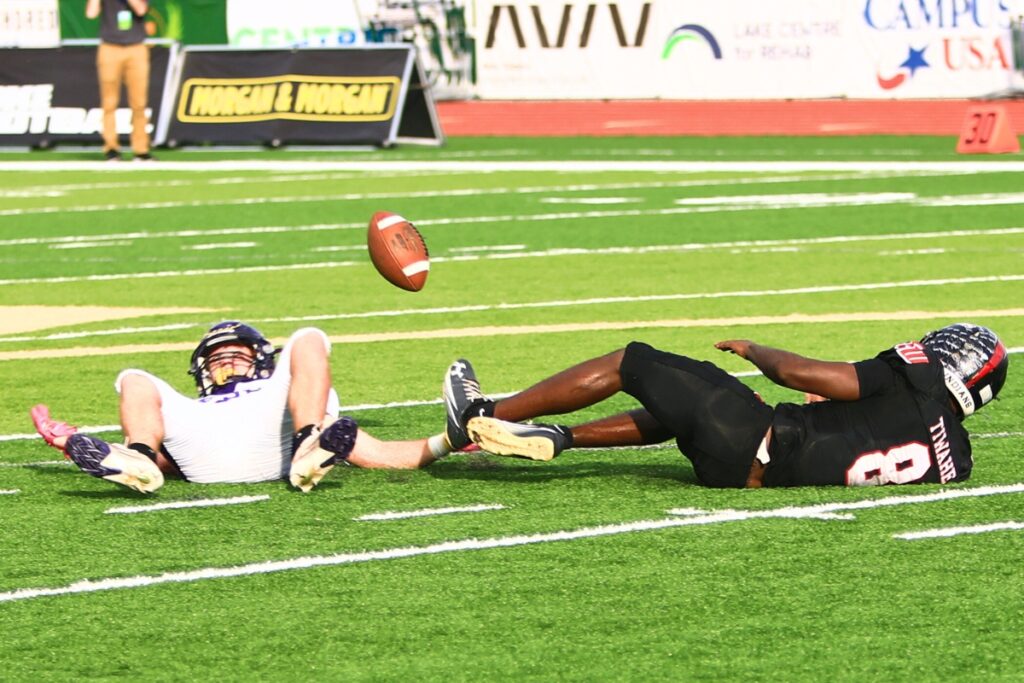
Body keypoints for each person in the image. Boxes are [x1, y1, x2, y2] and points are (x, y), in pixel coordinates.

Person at [440, 323, 1009, 488]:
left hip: (751, 434)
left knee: (631, 362)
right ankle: (561, 437)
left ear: (952, 359)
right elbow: (866, 434)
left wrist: (756, 349)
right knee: (685, 409)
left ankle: (485, 411)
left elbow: (800, 373)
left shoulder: (912, 378)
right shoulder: (955, 459)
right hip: (743, 476)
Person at [33, 322, 455, 493]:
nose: (226, 360)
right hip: (204, 455)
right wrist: (73, 443)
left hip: (280, 437)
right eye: (216, 356)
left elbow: (377, 453)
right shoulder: (194, 406)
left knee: (308, 336)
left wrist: (449, 441)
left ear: (261, 359)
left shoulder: (285, 391)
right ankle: (135, 454)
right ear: (200, 370)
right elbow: (175, 460)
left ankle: (310, 442)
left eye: (237, 353)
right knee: (134, 377)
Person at [86, 0, 153, 161]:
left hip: (136, 47)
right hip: (110, 47)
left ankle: (141, 149)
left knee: (139, 102)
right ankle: (111, 148)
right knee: (109, 102)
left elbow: (141, 9)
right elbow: (91, 13)